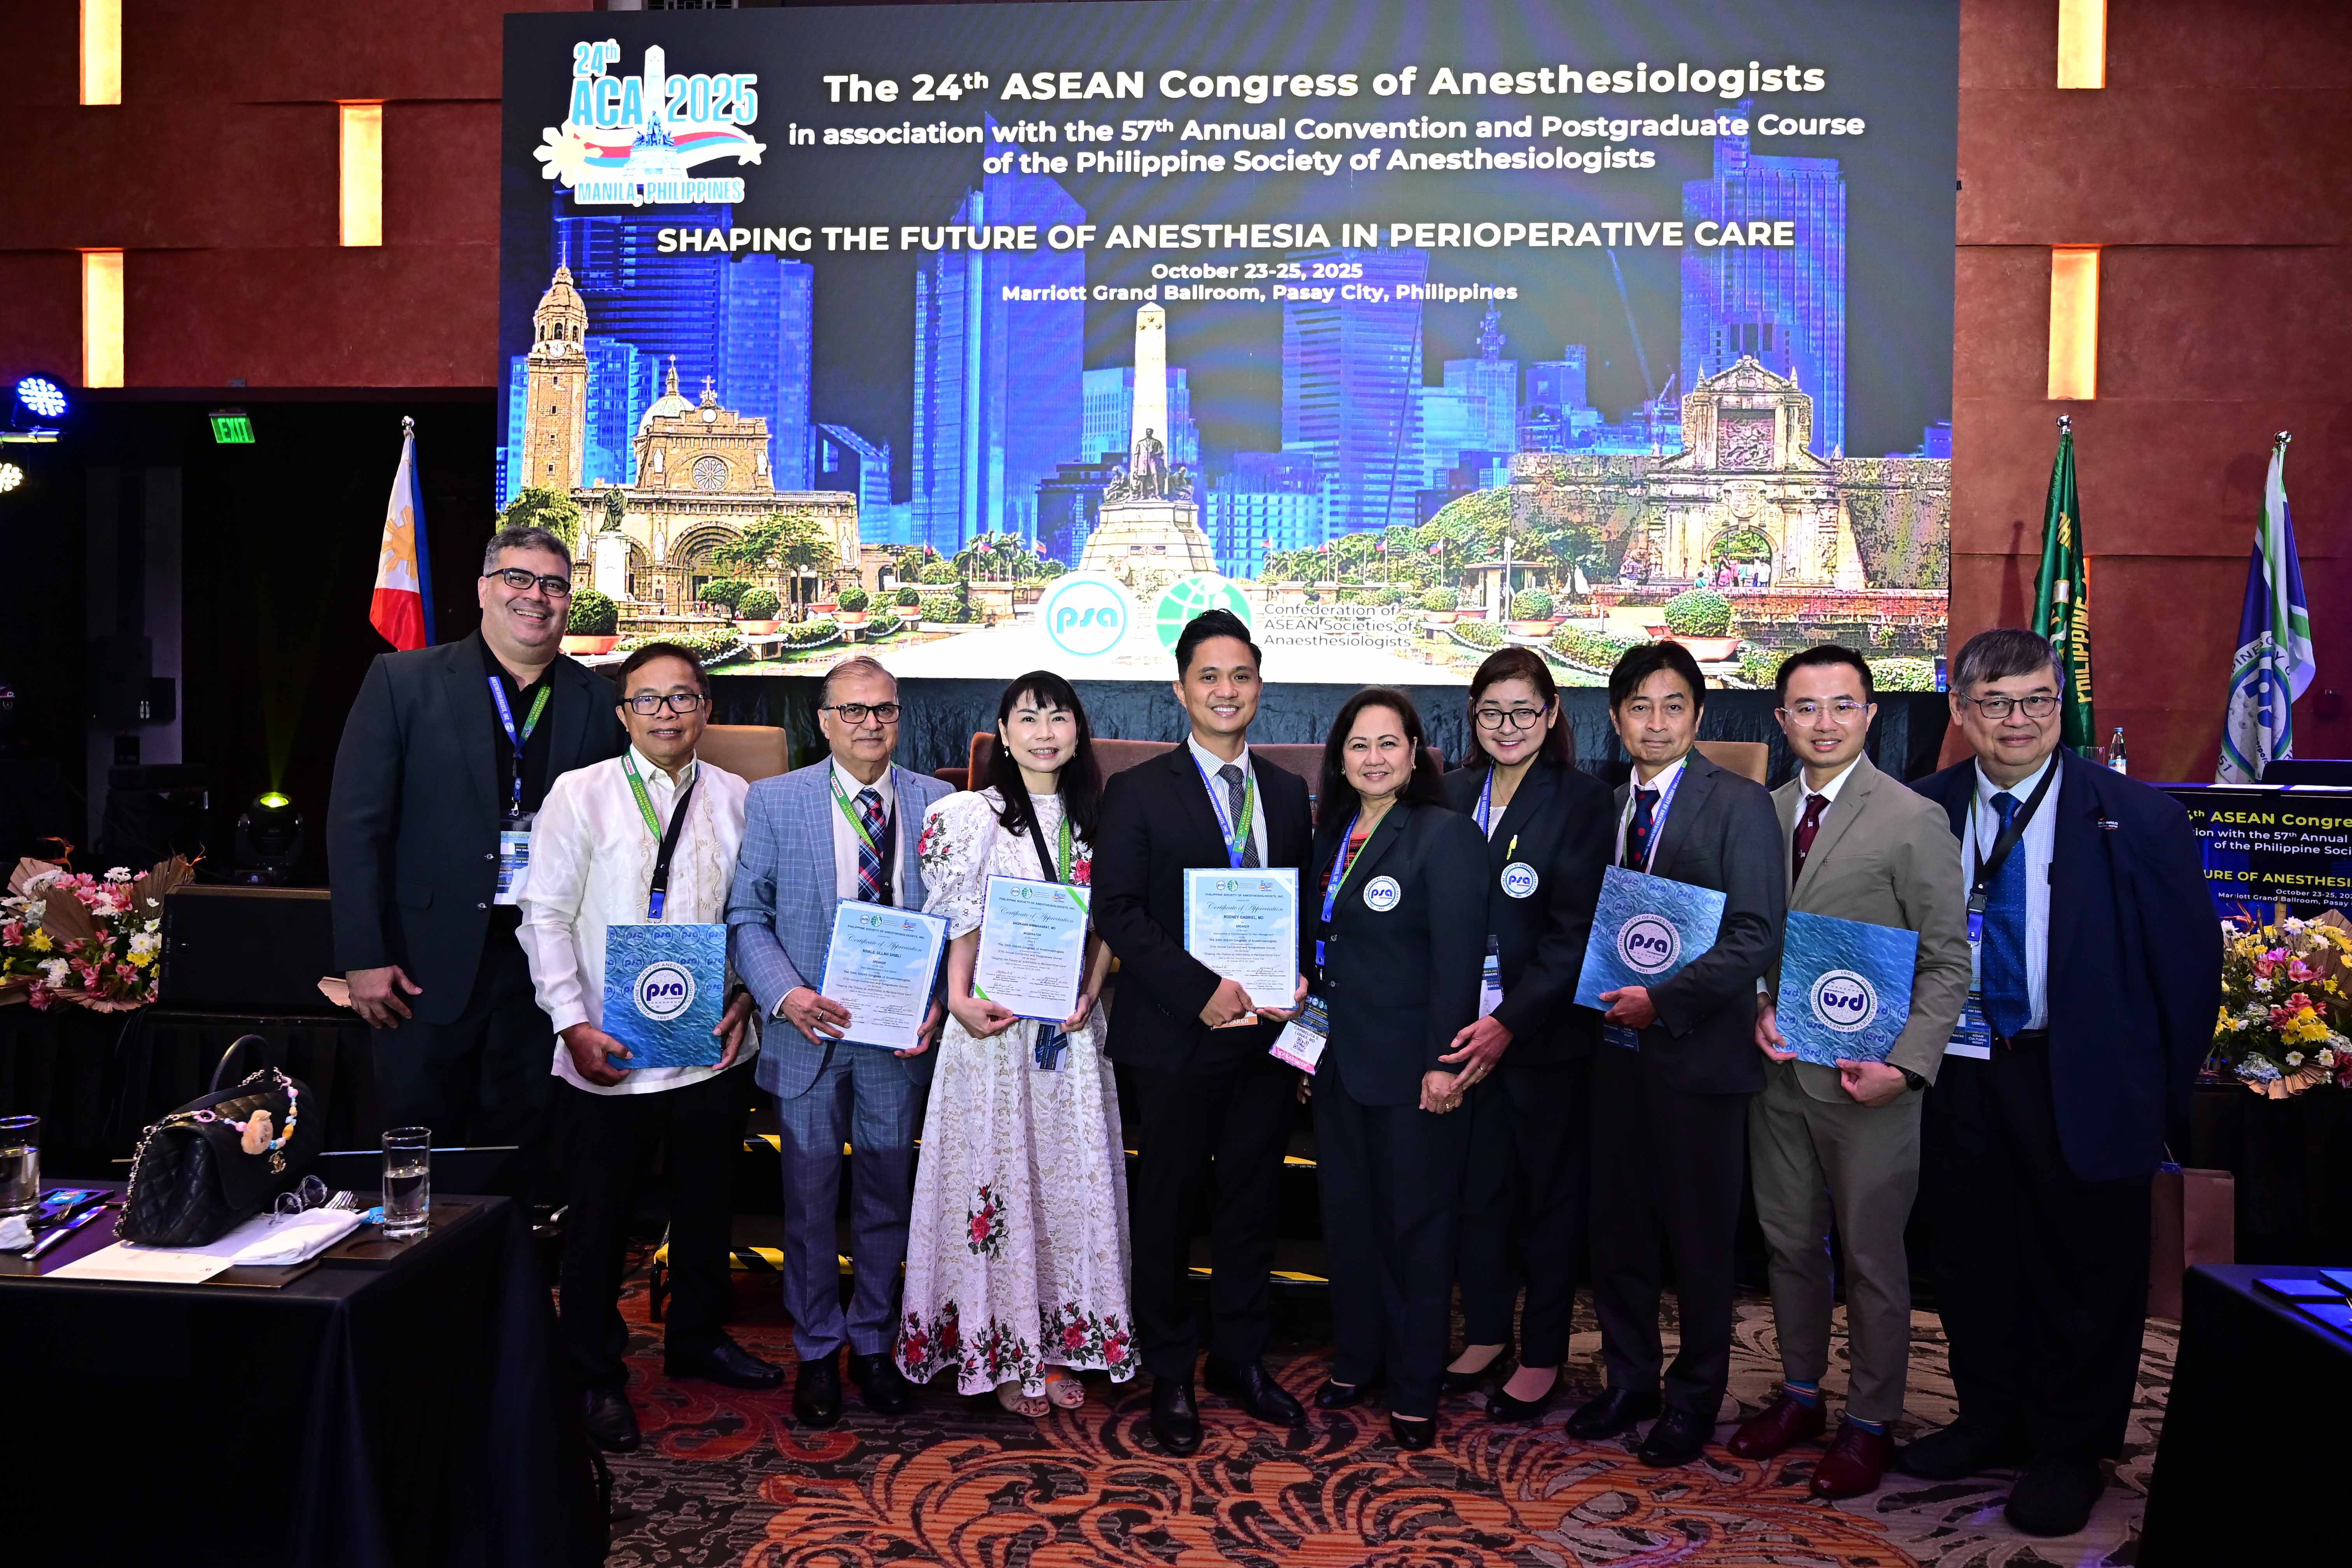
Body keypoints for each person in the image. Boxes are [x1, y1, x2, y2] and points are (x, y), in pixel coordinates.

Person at [1897, 629, 2220, 1536]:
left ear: (2060, 703)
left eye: (2038, 699)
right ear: (1960, 710)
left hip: (2082, 1079)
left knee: (2087, 1272)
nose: (2019, 720)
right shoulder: (1923, 809)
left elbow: (2188, 973)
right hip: (1958, 1077)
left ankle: (2070, 1450)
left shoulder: (2137, 818)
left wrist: (2155, 1100)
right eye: (1996, 703)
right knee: (1972, 1262)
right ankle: (1990, 1420)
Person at [1726, 646, 1970, 1498]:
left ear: (1870, 714)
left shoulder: (1912, 818)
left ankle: (1871, 1420)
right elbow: (1751, 938)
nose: (1823, 723)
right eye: (1805, 707)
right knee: (1790, 1245)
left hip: (1870, 1085)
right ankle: (1800, 1395)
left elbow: (1948, 962)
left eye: (1841, 705)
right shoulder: (1763, 812)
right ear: (1781, 720)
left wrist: (1906, 1065)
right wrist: (1758, 1002)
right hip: (1779, 1077)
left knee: (1871, 1258)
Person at [515, 642, 773, 1452]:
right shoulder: (581, 793)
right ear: (624, 713)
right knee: (599, 1218)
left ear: (707, 709)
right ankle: (592, 1370)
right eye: (649, 700)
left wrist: (745, 995)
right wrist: (572, 1023)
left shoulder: (738, 797)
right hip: (609, 1043)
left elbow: (753, 916)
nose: (667, 713)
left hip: (711, 1044)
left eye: (683, 698)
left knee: (706, 1204)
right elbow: (545, 918)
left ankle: (696, 1336)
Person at [329, 524, 626, 1189]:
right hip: (422, 965)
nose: (536, 596)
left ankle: (512, 1258)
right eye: (519, 578)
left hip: (548, 967)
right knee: (415, 1150)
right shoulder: (403, 681)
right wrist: (363, 956)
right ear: (485, 589)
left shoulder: (602, 702)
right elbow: (356, 828)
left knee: (521, 1154)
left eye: (554, 585)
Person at [1093, 609, 1312, 1455]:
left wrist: (1300, 978)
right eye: (1209, 677)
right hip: (1175, 1037)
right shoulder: (1138, 790)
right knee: (1169, 1207)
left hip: (1263, 1039)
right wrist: (1201, 992)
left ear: (1260, 687)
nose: (1227, 691)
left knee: (1251, 1203)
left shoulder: (1286, 793)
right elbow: (1118, 911)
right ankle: (1171, 1373)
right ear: (1181, 691)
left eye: (1241, 676)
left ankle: (1239, 1360)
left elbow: (1302, 908)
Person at [1570, 641, 1785, 1468]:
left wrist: (1663, 1001)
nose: (1655, 723)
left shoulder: (1740, 804)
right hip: (1612, 1058)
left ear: (1698, 715)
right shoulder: (1602, 807)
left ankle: (1695, 1398)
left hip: (1699, 1058)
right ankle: (1630, 1380)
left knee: (1699, 1243)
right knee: (1618, 1232)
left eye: (1673, 707)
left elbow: (1756, 934)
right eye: (1639, 707)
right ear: (1616, 718)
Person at [896, 672, 1131, 1417]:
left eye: (1058, 718)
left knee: (1066, 1187)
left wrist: (1091, 989)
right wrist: (959, 999)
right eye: (1028, 718)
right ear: (1003, 731)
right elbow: (960, 921)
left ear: (1078, 731)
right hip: (991, 1035)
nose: (1044, 733)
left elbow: (1113, 922)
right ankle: (1001, 1348)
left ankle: (1057, 1346)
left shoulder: (1105, 817)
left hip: (1069, 1032)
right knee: (996, 1181)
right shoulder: (969, 815)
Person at [726, 655, 951, 1429]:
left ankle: (875, 1342)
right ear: (823, 721)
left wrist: (938, 1002)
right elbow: (746, 916)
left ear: (900, 718)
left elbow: (956, 916)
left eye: (883, 709)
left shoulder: (938, 803)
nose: (869, 723)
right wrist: (786, 995)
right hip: (809, 1034)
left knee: (888, 1195)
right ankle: (818, 1348)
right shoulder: (776, 800)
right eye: (852, 710)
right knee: (810, 1202)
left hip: (897, 1039)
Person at [1302, 688, 1488, 1451]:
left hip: (1415, 1072)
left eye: (1389, 743)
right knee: (1349, 1221)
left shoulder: (1445, 836)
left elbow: (1458, 964)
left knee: (1416, 1228)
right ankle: (1359, 1360)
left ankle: (1415, 1385)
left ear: (1415, 754)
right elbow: (1323, 955)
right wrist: (1307, 1048)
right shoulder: (1330, 835)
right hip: (1338, 1066)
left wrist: (1444, 1065)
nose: (1373, 758)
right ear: (1340, 759)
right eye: (1359, 745)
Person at [1436, 648, 1613, 1422]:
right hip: (1459, 1035)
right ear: (1473, 718)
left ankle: (1541, 1353)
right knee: (1478, 1194)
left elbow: (1576, 934)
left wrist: (1508, 1023)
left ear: (1551, 715)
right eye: (1491, 713)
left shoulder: (1583, 801)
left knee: (1547, 1201)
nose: (1507, 727)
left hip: (1541, 1037)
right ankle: (1484, 1333)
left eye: (1523, 712)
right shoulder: (1450, 792)